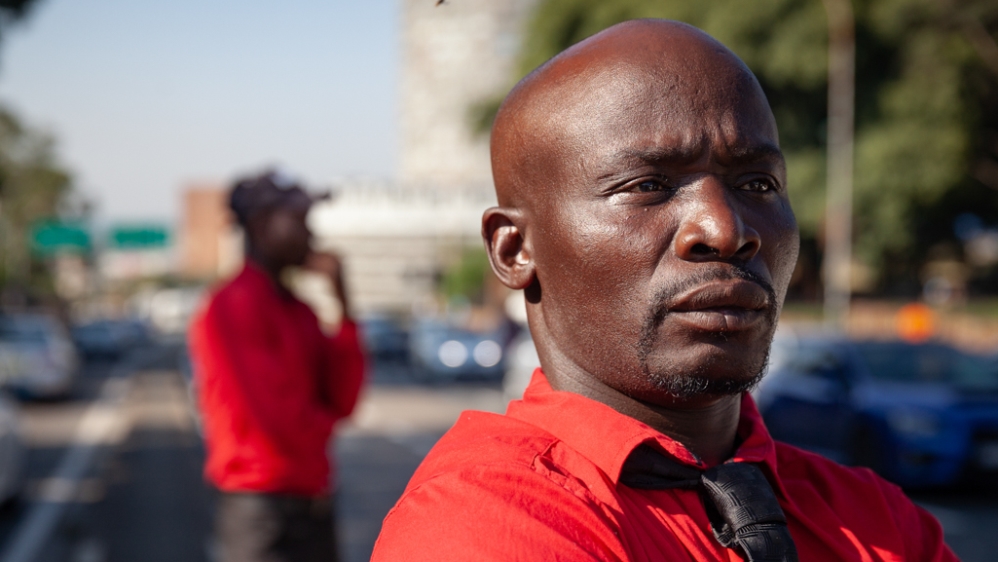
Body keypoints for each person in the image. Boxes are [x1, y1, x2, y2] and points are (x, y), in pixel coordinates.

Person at [372, 20, 957, 562]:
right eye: (648, 185)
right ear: (514, 250)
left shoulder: (877, 519)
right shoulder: (484, 524)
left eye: (758, 183)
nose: (726, 230)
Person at [189, 171, 365, 562]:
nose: (311, 235)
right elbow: (277, 420)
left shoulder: (299, 310)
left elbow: (344, 399)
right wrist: (324, 424)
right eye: (299, 221)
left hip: (312, 501)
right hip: (260, 511)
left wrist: (344, 303)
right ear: (262, 226)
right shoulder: (233, 305)